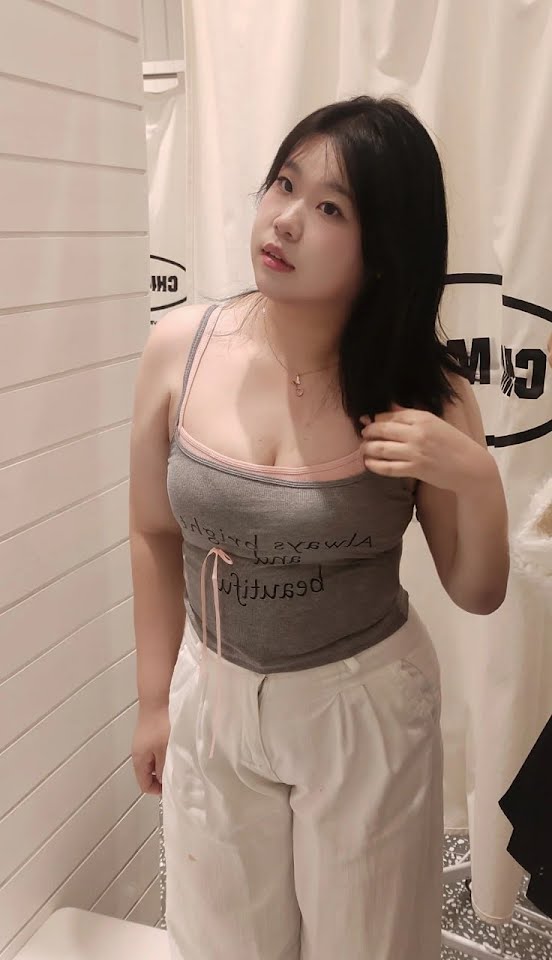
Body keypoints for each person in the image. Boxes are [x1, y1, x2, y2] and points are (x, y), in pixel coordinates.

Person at [129, 96, 510, 960]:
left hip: (361, 705)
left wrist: (478, 477)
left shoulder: (426, 393)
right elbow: (153, 531)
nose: (287, 220)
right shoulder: (179, 348)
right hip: (212, 689)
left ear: (384, 251)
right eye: (283, 184)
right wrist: (154, 701)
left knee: (369, 945)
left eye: (331, 208)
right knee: (220, 944)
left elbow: (477, 592)